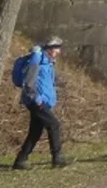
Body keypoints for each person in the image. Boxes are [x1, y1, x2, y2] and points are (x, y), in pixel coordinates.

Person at [12, 37, 71, 170]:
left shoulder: (48, 63)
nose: (59, 52)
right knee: (54, 124)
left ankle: (20, 161)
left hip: (42, 101)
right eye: (57, 49)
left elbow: (45, 81)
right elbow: (29, 82)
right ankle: (57, 158)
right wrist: (36, 99)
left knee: (35, 132)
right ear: (50, 49)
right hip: (36, 101)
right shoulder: (37, 60)